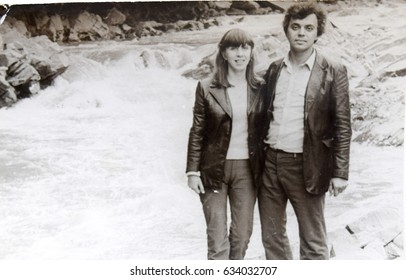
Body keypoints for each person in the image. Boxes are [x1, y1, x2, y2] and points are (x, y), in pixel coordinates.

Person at [258, 2, 352, 260]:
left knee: (312, 240)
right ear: (286, 30)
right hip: (270, 164)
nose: (301, 33)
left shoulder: (333, 69)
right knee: (272, 238)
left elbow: (343, 124)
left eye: (308, 28)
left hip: (307, 165)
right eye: (295, 27)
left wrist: (340, 173)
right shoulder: (275, 68)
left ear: (317, 32)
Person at [186, 28, 268, 260]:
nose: (239, 54)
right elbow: (197, 130)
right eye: (233, 48)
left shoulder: (261, 87)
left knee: (242, 237)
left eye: (245, 47)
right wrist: (192, 171)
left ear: (251, 52)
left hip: (247, 170)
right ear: (223, 53)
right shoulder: (206, 87)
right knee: (217, 240)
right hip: (213, 169)